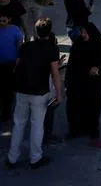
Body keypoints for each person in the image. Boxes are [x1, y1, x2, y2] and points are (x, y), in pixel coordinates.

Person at [6, 18, 62, 170]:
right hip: (40, 92)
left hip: (22, 89)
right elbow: (55, 73)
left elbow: (17, 66)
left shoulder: (25, 46)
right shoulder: (52, 48)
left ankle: (12, 157)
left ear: (35, 32)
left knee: (18, 124)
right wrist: (58, 93)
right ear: (49, 32)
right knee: (37, 126)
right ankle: (35, 158)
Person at [64, 21, 101, 142]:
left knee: (94, 105)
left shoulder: (99, 43)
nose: (84, 34)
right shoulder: (78, 44)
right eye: (82, 31)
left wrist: (97, 67)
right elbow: (72, 63)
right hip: (79, 80)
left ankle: (92, 130)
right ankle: (75, 130)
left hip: (94, 82)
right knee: (75, 104)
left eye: (86, 32)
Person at [0, 12, 23, 122]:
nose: (1, 23)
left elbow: (19, 44)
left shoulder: (14, 29)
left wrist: (19, 61)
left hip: (10, 64)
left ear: (9, 19)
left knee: (8, 90)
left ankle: (6, 112)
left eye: (4, 20)